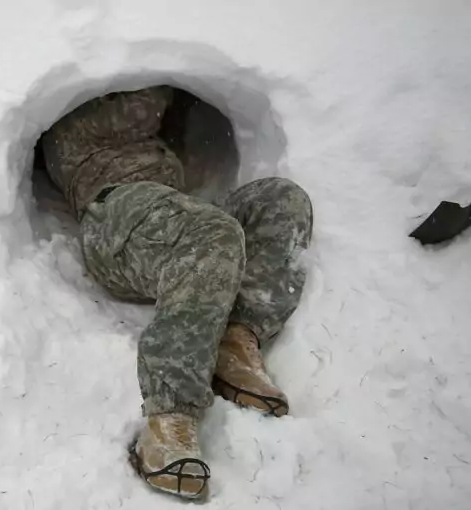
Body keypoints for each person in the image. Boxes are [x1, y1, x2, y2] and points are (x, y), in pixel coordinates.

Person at [40, 86, 313, 500]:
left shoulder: (152, 139)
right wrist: (168, 64)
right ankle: (169, 418)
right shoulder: (72, 127)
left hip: (177, 221)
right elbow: (134, 107)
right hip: (114, 221)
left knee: (281, 200)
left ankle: (236, 338)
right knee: (213, 230)